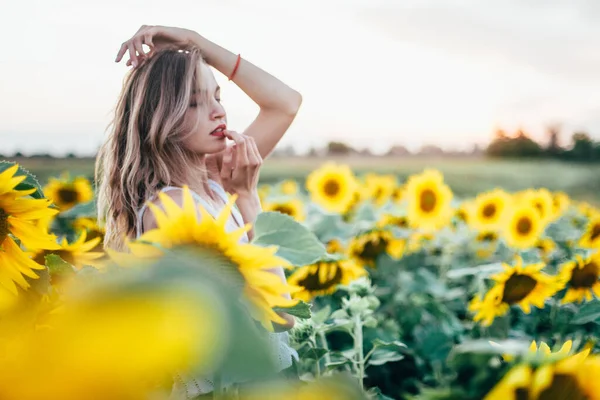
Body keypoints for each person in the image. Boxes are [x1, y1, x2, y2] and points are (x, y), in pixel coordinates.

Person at [95, 25, 303, 398]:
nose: (218, 111)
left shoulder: (211, 179)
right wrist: (247, 198)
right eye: (194, 102)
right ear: (160, 116)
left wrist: (198, 43)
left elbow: (285, 103)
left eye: (217, 96)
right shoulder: (169, 207)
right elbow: (279, 316)